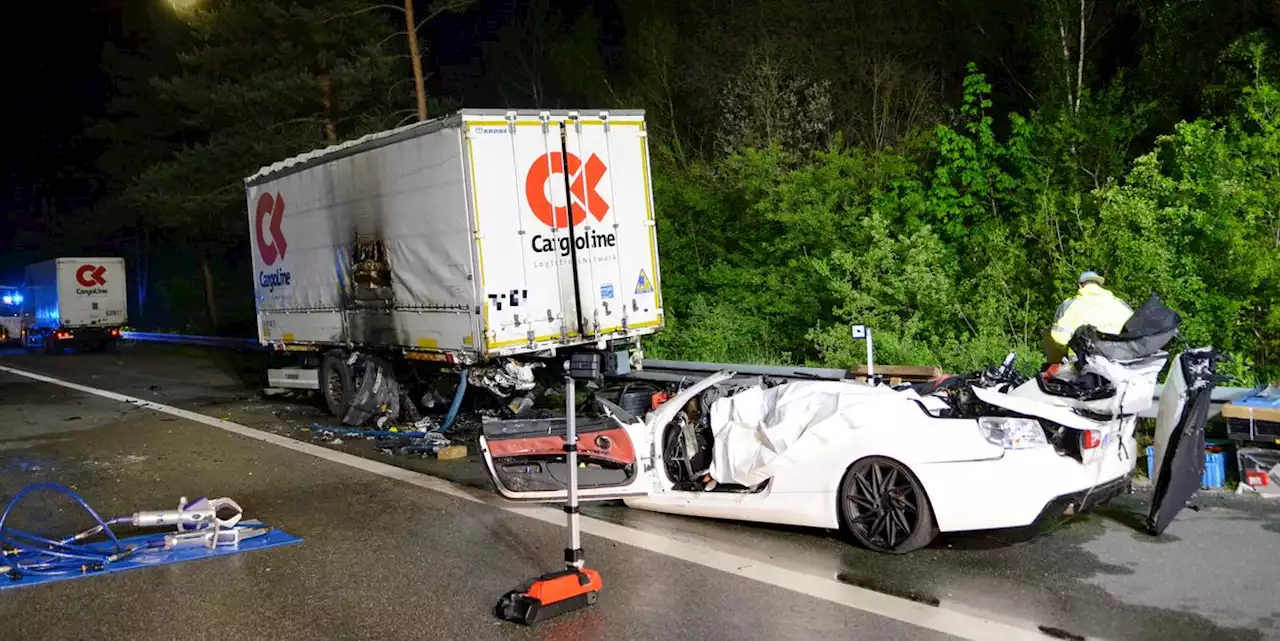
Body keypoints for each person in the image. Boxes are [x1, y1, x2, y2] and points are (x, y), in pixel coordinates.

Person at [1045, 271, 1133, 364]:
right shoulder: (1121, 305)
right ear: (1099, 285)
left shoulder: (1069, 305)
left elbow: (1058, 338)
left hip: (1082, 363)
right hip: (1121, 361)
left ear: (1080, 286)